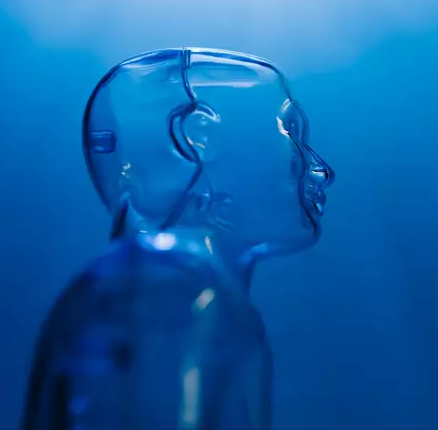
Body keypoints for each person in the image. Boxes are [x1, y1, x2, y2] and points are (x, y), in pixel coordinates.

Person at [22, 48, 335, 430]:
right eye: (292, 132)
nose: (321, 169)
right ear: (196, 136)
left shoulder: (173, 292)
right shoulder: (172, 292)